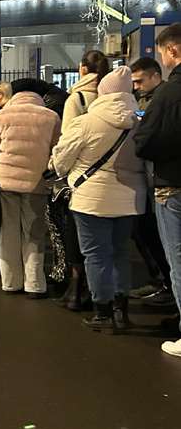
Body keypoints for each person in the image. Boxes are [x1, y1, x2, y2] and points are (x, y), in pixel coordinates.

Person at [52, 66, 146, 333]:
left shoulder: (86, 122)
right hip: (130, 199)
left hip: (91, 199)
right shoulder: (140, 121)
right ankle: (121, 311)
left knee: (95, 256)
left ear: (102, 93)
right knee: (120, 253)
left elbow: (61, 160)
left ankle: (103, 313)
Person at [0, 77, 61, 297]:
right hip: (37, 183)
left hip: (6, 182)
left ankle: (11, 282)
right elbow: (58, 151)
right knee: (34, 232)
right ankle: (35, 284)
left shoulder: (2, 115)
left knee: (9, 231)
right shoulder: (51, 117)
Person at [136, 22, 181, 357]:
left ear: (172, 50)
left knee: (178, 260)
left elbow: (148, 141)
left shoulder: (169, 91)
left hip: (173, 184)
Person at [128, 56, 173, 306]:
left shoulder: (165, 100)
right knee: (144, 232)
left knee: (162, 237)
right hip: (146, 179)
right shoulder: (140, 100)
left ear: (156, 76)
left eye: (139, 81)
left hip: (161, 180)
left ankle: (168, 286)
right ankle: (161, 281)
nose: (136, 86)